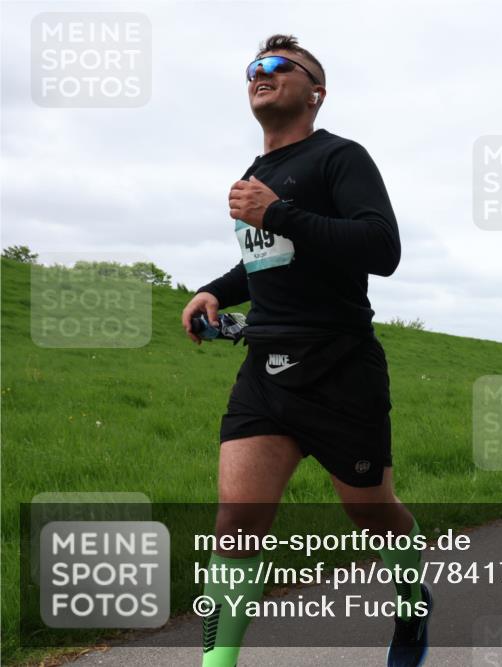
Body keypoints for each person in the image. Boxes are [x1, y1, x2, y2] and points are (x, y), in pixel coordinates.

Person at [180, 35, 429, 667]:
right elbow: (266, 262)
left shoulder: (341, 157)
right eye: (252, 69)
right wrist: (214, 290)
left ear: (316, 91)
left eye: (277, 66)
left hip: (341, 367)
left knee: (370, 512)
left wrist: (279, 212)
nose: (260, 75)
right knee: (236, 520)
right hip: (265, 368)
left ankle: (410, 600)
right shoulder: (254, 175)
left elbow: (381, 248)